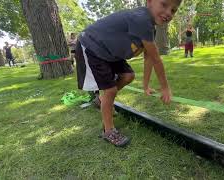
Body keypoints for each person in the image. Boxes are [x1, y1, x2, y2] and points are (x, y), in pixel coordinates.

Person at [75, 0, 182, 147]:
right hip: (92, 46)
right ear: (149, 2)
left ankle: (101, 100)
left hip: (109, 52)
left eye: (173, 10)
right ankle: (108, 130)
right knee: (110, 90)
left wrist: (146, 86)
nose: (168, 13)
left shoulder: (150, 28)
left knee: (128, 76)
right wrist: (165, 87)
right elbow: (156, 59)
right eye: (164, 5)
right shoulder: (142, 19)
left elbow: (149, 58)